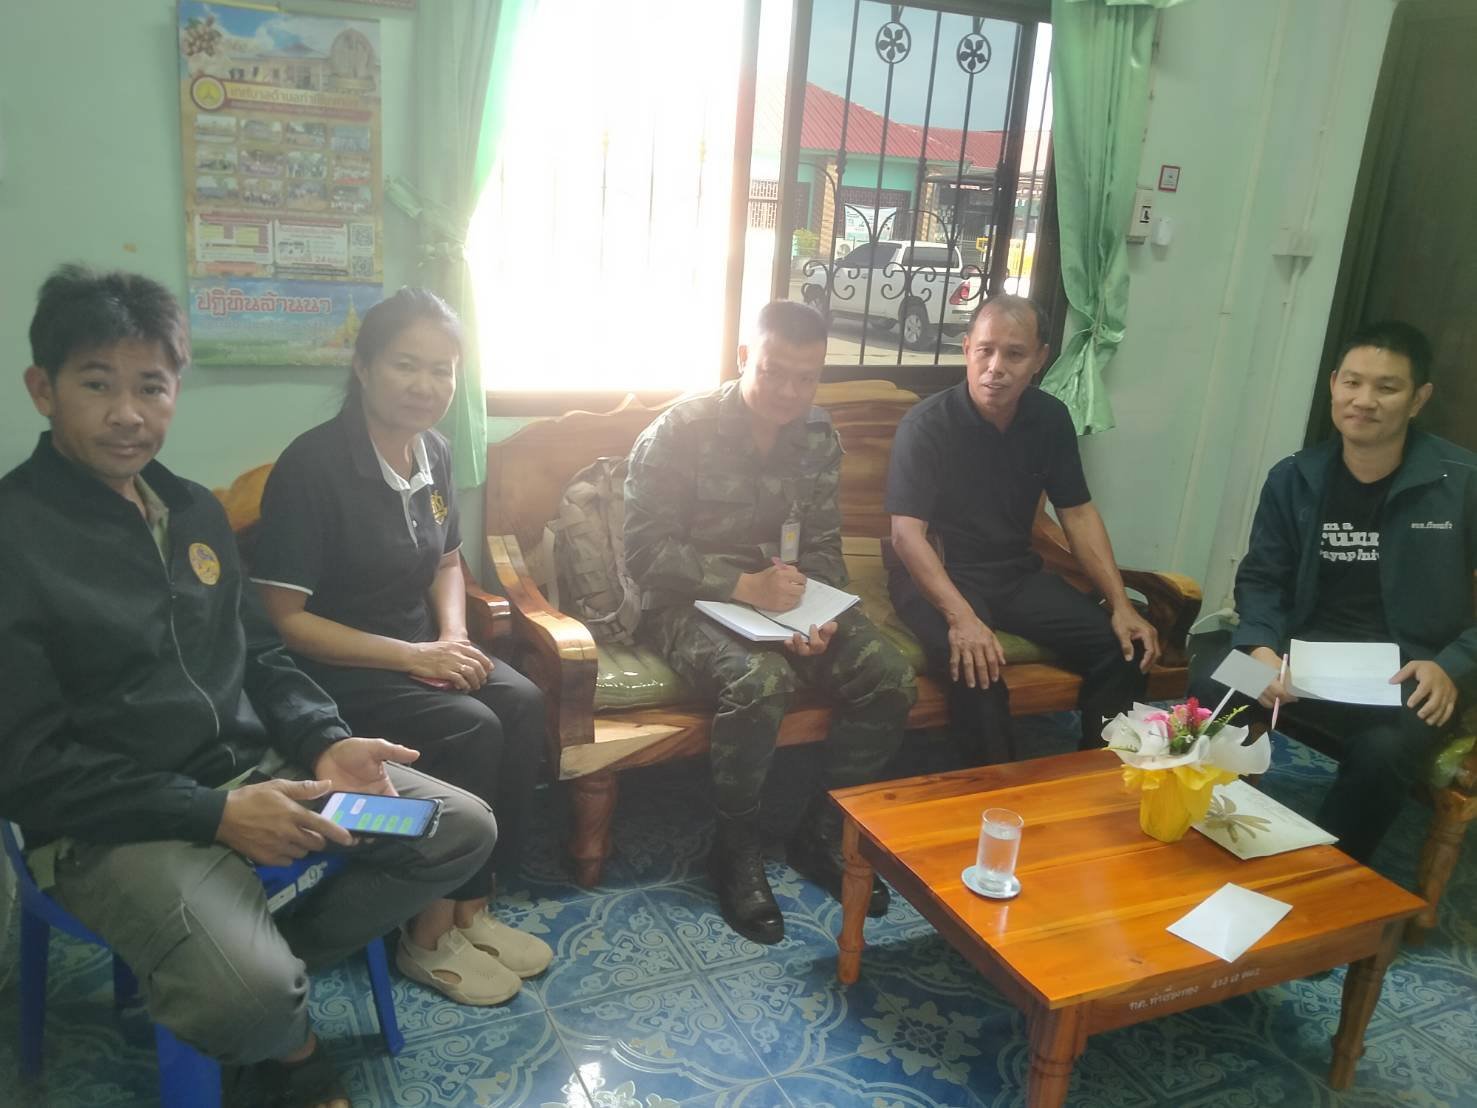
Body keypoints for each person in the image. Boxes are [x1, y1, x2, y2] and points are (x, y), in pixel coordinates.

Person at [0, 265, 497, 1108]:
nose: (127, 413)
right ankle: (279, 1031)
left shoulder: (192, 513)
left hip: (261, 774)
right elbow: (26, 767)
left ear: (174, 392)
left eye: (150, 386)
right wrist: (215, 815)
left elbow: (262, 655)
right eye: (97, 384)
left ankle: (249, 975)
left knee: (455, 829)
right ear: (43, 389)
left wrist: (325, 741)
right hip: (116, 825)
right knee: (251, 994)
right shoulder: (16, 538)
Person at [251, 288, 551, 1006]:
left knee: (523, 702)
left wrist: (452, 635)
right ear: (363, 367)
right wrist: (414, 658)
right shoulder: (312, 467)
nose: (425, 386)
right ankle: (427, 934)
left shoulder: (434, 452)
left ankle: (473, 907)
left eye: (442, 370)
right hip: (334, 667)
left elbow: (447, 562)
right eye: (405, 365)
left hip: (420, 647)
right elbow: (285, 621)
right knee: (471, 727)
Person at [623, 299, 917, 945]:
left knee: (890, 677)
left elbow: (822, 545)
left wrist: (823, 615)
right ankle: (735, 849)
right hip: (682, 604)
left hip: (784, 600)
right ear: (743, 357)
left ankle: (823, 832)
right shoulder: (680, 431)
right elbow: (643, 553)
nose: (788, 392)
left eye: (805, 378)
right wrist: (740, 586)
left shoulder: (817, 436)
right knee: (760, 682)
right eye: (774, 372)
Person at [1191, 321, 1476, 862]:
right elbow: (1262, 577)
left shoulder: (1463, 483)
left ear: (1418, 399)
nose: (1364, 400)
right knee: (1214, 673)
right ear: (1333, 386)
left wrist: (1451, 664)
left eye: (1386, 388)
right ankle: (1198, 825)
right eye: (1352, 382)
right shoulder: (1295, 476)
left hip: (1406, 677)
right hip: (1298, 667)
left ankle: (1328, 873)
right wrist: (1260, 649)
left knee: (1384, 752)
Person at [885, 294, 1160, 765]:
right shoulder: (927, 425)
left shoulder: (1049, 419)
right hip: (936, 576)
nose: (996, 368)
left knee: (1124, 647)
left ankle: (1099, 777)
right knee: (977, 668)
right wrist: (962, 618)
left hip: (1012, 572)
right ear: (967, 349)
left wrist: (1120, 604)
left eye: (1014, 354)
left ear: (1039, 359)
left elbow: (1077, 513)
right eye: (985, 350)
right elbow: (906, 535)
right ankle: (1000, 791)